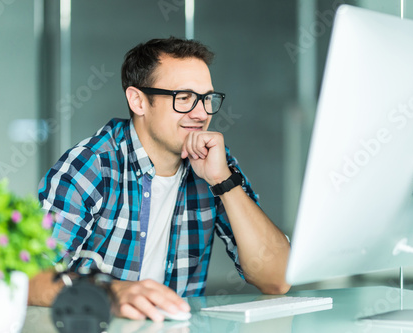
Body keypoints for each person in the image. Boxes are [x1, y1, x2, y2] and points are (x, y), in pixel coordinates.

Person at [28, 37, 291, 322]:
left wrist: (223, 182)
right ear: (138, 101)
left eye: (207, 98)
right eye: (184, 98)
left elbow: (277, 280)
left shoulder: (215, 163)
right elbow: (29, 277)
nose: (201, 113)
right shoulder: (92, 166)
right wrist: (110, 292)